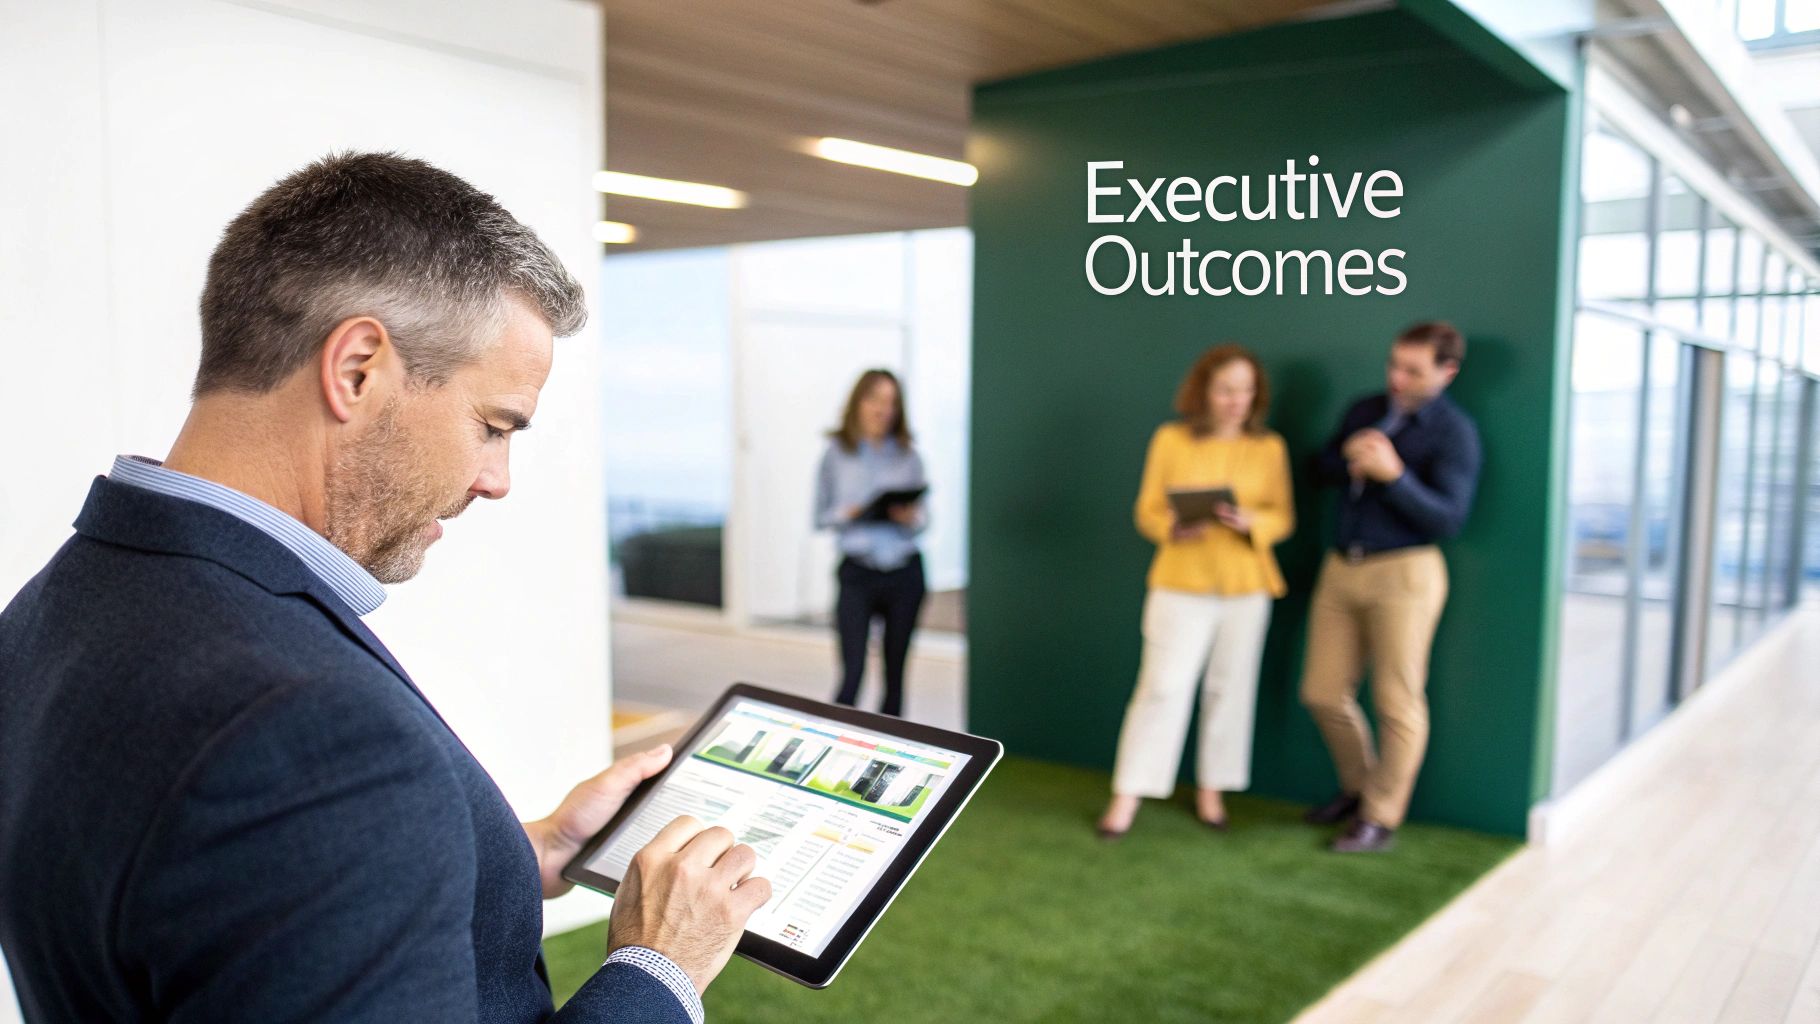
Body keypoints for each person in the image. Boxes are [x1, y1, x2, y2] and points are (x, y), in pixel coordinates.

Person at [0, 153, 770, 1023]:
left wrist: (528, 851)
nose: (497, 479)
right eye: (494, 425)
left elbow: (235, 890)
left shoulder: (57, 607)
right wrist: (656, 973)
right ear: (358, 368)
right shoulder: (315, 738)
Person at [1098, 344, 1294, 839]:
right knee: (1162, 686)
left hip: (1246, 585)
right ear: (1204, 391)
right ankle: (1129, 794)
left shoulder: (1269, 448)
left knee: (1230, 689)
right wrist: (1173, 527)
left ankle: (1213, 791)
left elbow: (1282, 516)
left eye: (1245, 390)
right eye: (1227, 389)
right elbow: (1147, 509)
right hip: (1180, 581)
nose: (1236, 400)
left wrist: (1252, 521)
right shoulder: (1171, 440)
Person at [1300, 320, 1482, 853]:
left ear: (1447, 372)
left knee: (1397, 700)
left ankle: (1380, 817)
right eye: (1393, 365)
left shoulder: (1455, 433)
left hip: (1406, 572)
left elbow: (1449, 519)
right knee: (1321, 691)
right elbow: (1319, 469)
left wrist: (1395, 474)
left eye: (1412, 370)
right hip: (1341, 568)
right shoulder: (1364, 409)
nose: (1397, 378)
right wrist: (1347, 455)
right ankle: (1358, 790)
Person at [814, 369, 927, 718]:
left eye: (891, 402)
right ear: (859, 403)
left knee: (895, 675)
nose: (883, 409)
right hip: (858, 572)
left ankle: (889, 762)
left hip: (904, 570)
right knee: (852, 673)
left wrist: (910, 518)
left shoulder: (908, 455)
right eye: (876, 399)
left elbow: (924, 520)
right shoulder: (836, 454)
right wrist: (850, 513)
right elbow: (820, 516)